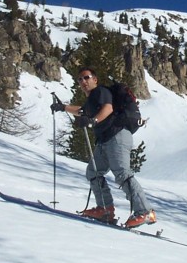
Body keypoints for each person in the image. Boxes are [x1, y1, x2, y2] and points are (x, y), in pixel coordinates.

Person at [51, 67, 157, 228]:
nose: (83, 82)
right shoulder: (93, 99)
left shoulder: (100, 92)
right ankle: (104, 209)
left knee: (122, 174)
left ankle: (144, 211)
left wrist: (93, 121)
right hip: (105, 140)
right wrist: (63, 107)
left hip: (117, 135)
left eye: (86, 78)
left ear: (95, 79)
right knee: (93, 172)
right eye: (80, 79)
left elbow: (108, 109)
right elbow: (82, 111)